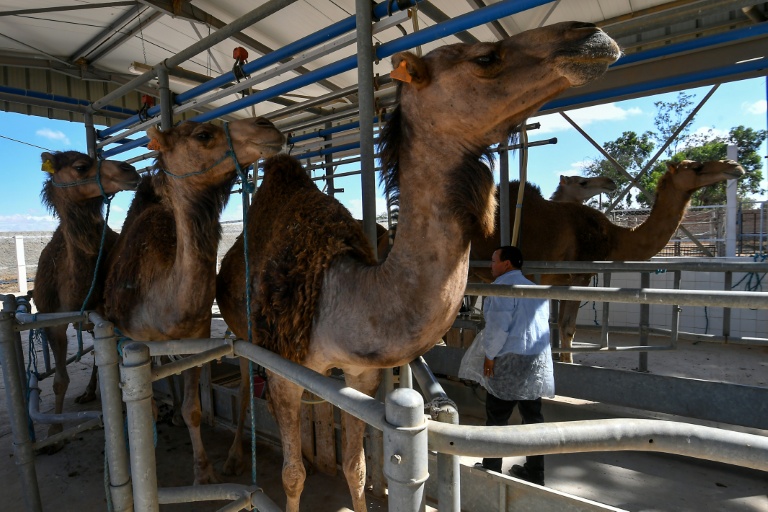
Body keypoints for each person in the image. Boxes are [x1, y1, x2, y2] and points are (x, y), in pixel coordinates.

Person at [479, 245, 554, 485]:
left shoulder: (501, 288)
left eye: (493, 261)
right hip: (534, 358)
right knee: (532, 417)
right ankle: (535, 472)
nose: (491, 266)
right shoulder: (534, 289)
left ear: (507, 264)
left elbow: (498, 326)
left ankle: (491, 469)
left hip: (510, 358)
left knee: (497, 415)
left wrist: (489, 355)